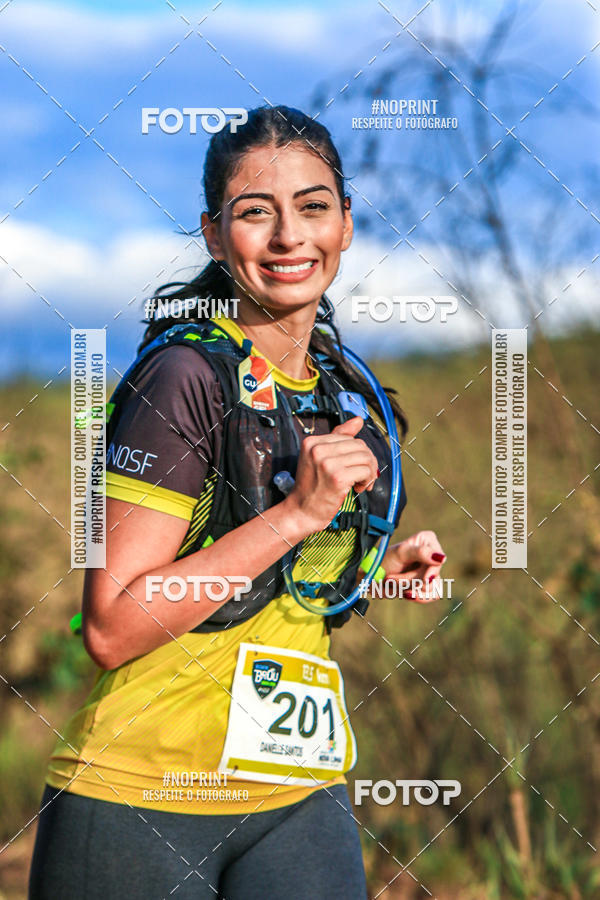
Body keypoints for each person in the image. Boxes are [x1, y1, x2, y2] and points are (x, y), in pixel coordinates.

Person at [28, 105, 446, 899]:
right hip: (141, 795)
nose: (291, 237)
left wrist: (383, 571)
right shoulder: (182, 379)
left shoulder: (343, 392)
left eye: (314, 206)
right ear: (215, 237)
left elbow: (288, 591)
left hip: (296, 795)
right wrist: (297, 515)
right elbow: (113, 625)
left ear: (347, 224)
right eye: (256, 213)